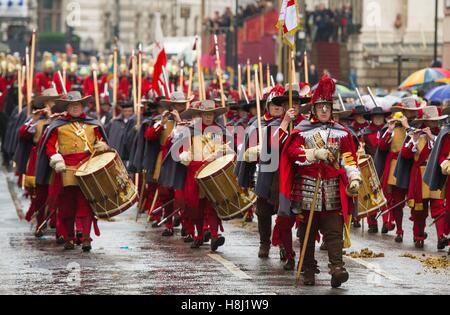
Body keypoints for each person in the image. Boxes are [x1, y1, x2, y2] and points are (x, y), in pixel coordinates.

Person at [277, 75, 361, 287]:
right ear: (313, 109)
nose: (324, 110)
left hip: (333, 188)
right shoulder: (301, 131)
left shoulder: (342, 133)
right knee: (308, 231)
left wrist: (353, 176)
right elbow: (292, 153)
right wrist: (314, 154)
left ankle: (337, 267)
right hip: (307, 187)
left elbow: (349, 157)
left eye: (327, 107)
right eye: (320, 106)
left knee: (334, 230)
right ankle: (308, 268)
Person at [36, 91, 109, 252]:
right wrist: (56, 158)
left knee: (86, 204)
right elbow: (49, 146)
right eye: (72, 105)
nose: (75, 107)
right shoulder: (57, 125)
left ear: (82, 106)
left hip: (87, 166)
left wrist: (103, 146)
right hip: (65, 167)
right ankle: (68, 237)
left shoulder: (92, 124)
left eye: (78, 104)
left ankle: (85, 239)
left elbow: (101, 141)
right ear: (67, 107)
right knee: (67, 204)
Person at [397, 106, 448, 249]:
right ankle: (418, 236)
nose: (434, 124)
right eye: (431, 121)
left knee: (439, 207)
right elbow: (406, 155)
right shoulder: (415, 134)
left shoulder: (442, 136)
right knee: (420, 210)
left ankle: (440, 237)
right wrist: (414, 139)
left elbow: (442, 152)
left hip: (436, 174)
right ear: (425, 121)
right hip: (419, 175)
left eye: (436, 121)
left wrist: (432, 137)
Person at [375, 97, 425, 242]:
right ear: (403, 111)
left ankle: (419, 233)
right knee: (396, 200)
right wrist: (390, 130)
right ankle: (399, 229)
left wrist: (408, 126)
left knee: (417, 203)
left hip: (414, 168)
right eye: (409, 111)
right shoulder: (394, 126)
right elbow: (383, 147)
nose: (412, 114)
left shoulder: (420, 128)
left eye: (413, 111)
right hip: (395, 167)